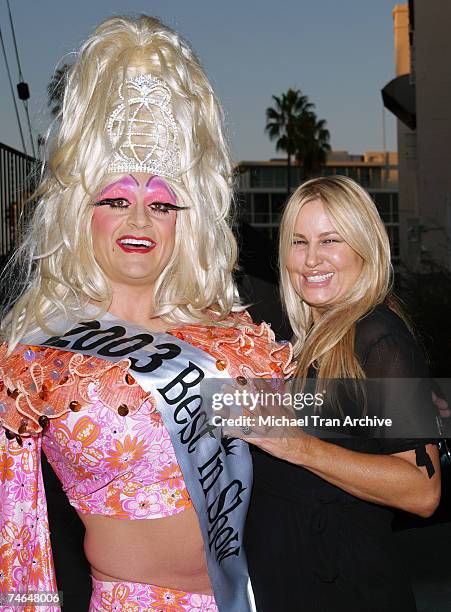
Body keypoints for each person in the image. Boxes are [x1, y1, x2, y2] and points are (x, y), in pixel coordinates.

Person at [0, 15, 293, 611]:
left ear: (183, 220)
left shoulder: (230, 335)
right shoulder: (37, 354)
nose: (139, 221)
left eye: (159, 204)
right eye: (116, 199)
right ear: (82, 214)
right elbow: (17, 521)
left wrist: (416, 409)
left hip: (244, 598)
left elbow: (312, 424)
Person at [244, 176, 441, 612]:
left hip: (348, 590)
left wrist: (298, 447)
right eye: (299, 242)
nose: (311, 259)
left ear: (363, 247)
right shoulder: (299, 336)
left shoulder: (378, 338)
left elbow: (423, 491)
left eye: (330, 240)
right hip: (288, 581)